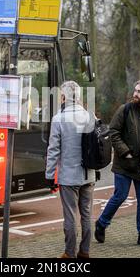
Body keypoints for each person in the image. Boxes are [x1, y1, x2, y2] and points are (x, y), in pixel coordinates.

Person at [95, 79, 140, 246]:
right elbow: (113, 131)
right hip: (124, 164)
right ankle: (101, 223)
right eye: (135, 90)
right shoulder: (125, 110)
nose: (135, 94)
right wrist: (125, 152)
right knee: (120, 196)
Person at [45, 80, 95, 258]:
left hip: (68, 176)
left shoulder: (59, 119)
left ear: (64, 97)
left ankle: (69, 253)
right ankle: (85, 251)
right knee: (87, 215)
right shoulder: (90, 116)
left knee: (70, 216)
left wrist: (50, 175)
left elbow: (53, 150)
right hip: (88, 175)